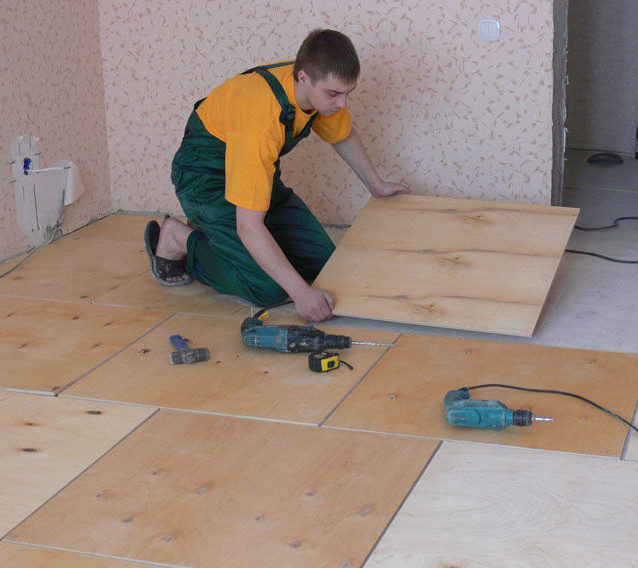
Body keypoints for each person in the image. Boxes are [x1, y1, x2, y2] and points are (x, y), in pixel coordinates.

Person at [144, 29, 409, 322]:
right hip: (205, 181)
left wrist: (377, 186)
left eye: (348, 93)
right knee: (268, 288)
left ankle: (221, 234)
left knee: (327, 267)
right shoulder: (261, 119)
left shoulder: (314, 88)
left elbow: (341, 134)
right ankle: (179, 238)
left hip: (255, 178)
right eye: (334, 94)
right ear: (304, 77)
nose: (342, 104)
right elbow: (249, 227)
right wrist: (300, 293)